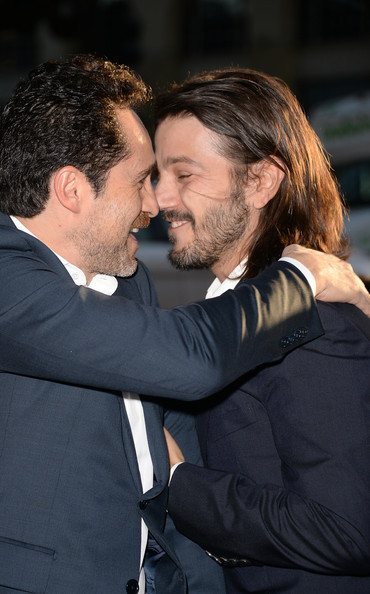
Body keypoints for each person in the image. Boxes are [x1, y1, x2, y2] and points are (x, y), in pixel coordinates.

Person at [0, 57, 366, 594]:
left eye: (181, 175)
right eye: (144, 178)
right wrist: (302, 274)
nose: (155, 202)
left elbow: (162, 494)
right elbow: (190, 359)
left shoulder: (132, 286)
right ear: (72, 189)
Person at [155, 67, 370, 593]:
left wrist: (181, 485)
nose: (160, 199)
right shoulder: (246, 310)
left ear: (260, 181)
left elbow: (347, 530)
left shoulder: (312, 325)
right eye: (155, 176)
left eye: (183, 175)